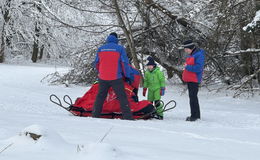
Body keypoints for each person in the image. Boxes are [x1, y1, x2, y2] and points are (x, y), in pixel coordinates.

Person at [92, 32, 133, 120]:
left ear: (108, 39)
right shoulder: (120, 49)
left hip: (102, 77)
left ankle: (95, 115)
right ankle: (128, 117)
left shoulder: (100, 49)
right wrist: (127, 75)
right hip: (116, 77)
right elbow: (124, 63)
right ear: (116, 39)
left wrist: (101, 72)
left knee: (100, 96)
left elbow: (96, 63)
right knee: (122, 97)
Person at [181, 40, 205, 122]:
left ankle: (195, 116)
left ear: (191, 48)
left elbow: (199, 68)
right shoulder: (192, 55)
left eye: (186, 49)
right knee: (192, 98)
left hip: (194, 79)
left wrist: (187, 67)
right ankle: (194, 115)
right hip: (190, 79)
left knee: (193, 98)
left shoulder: (198, 55)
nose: (185, 50)